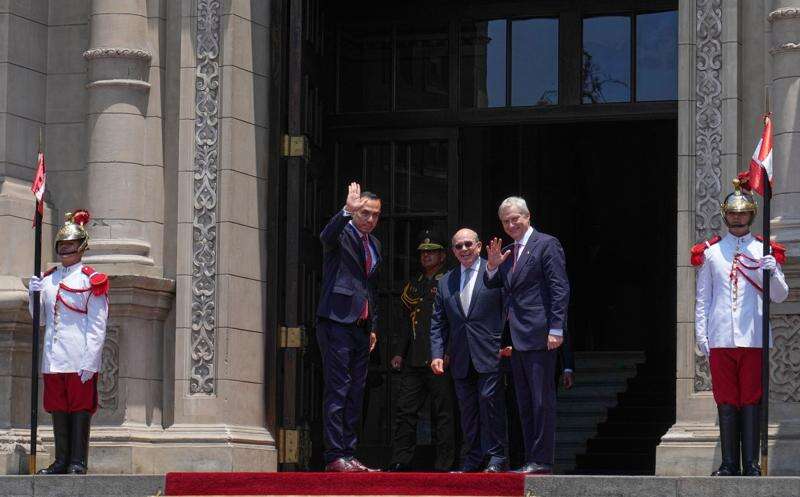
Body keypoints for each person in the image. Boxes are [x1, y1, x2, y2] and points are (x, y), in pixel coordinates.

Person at [693, 179, 789, 477]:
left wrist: (773, 272)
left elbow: (779, 296)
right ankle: (728, 463)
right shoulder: (711, 253)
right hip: (721, 336)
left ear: (751, 214)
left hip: (753, 337)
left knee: (751, 400)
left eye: (743, 213)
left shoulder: (763, 249)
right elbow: (703, 298)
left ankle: (750, 463)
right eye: (733, 213)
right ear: (726, 215)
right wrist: (701, 334)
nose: (738, 218)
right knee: (726, 400)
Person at [484, 197, 570, 475]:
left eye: (515, 219)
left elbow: (559, 288)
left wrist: (556, 328)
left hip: (540, 335)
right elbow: (493, 284)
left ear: (527, 216)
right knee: (524, 402)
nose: (511, 225)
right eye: (505, 221)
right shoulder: (508, 252)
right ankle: (530, 458)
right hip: (517, 338)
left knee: (541, 401)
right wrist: (492, 266)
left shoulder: (546, 244)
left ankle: (542, 460)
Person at [28, 210, 109, 474]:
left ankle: (77, 461)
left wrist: (91, 361)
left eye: (71, 244)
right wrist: (33, 295)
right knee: (58, 409)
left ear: (82, 247)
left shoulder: (90, 279)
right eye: (62, 244)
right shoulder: (48, 279)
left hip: (78, 356)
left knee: (79, 409)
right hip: (53, 357)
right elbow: (40, 320)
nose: (65, 249)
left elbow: (97, 325)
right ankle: (61, 460)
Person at [430, 228, 508, 472]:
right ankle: (473, 458)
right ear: (453, 251)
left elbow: (508, 307)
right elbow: (438, 321)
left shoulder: (494, 269)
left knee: (490, 404)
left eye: (468, 244)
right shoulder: (446, 281)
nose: (463, 249)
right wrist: (436, 354)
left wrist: (507, 341)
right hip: (461, 356)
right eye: (458, 246)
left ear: (479, 246)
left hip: (491, 352)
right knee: (467, 410)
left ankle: (496, 457)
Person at [316, 182, 381, 472]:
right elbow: (325, 236)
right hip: (336, 321)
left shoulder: (375, 244)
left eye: (375, 214)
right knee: (338, 388)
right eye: (365, 212)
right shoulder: (341, 233)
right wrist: (345, 210)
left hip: (361, 326)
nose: (370, 219)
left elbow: (370, 288)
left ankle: (349, 453)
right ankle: (334, 455)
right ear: (355, 211)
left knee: (356, 390)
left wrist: (373, 325)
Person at [387, 230, 456, 472]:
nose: (426, 256)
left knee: (443, 413)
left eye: (432, 252)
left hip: (440, 359)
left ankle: (444, 462)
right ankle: (401, 459)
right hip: (415, 358)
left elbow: (456, 321)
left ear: (442, 255)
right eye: (423, 252)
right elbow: (406, 323)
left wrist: (449, 351)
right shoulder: (414, 284)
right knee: (406, 410)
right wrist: (399, 352)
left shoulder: (450, 280)